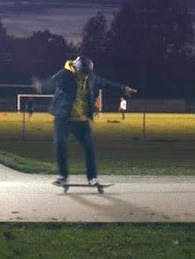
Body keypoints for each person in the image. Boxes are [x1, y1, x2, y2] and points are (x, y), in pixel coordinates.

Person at [37, 56, 136, 186]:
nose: (84, 77)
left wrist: (123, 88)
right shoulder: (65, 75)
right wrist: (41, 86)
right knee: (59, 144)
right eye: (82, 74)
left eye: (87, 74)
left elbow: (106, 83)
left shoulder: (91, 78)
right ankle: (63, 176)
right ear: (76, 70)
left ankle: (92, 178)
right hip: (63, 119)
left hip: (82, 121)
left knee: (89, 149)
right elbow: (51, 82)